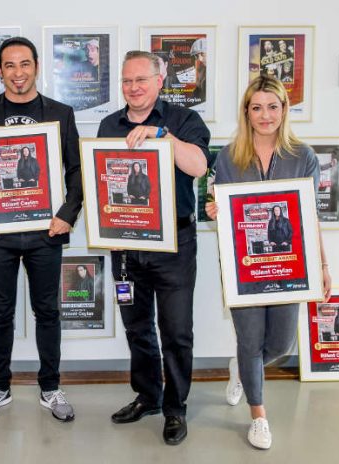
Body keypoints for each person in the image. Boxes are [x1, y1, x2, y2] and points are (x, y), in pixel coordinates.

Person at [0, 36, 83, 422]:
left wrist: (67, 213)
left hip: (47, 230)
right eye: (9, 66)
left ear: (37, 66)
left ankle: (50, 387)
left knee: (48, 311)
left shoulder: (60, 112)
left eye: (24, 64)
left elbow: (77, 170)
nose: (17, 73)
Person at [205, 75, 332, 450]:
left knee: (279, 344)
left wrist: (322, 267)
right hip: (243, 265)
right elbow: (219, 206)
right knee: (250, 338)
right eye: (257, 107)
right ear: (247, 111)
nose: (265, 115)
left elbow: (311, 218)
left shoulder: (303, 156)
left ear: (283, 110)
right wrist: (216, 211)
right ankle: (259, 415)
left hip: (289, 265)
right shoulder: (229, 156)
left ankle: (241, 369)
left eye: (272, 107)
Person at [98, 50, 211, 445]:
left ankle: (175, 408)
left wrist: (162, 136)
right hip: (126, 244)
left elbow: (198, 166)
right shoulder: (108, 124)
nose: (133, 88)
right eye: (127, 81)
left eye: (141, 80)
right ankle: (148, 396)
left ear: (160, 81)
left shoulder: (183, 120)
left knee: (177, 332)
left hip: (175, 245)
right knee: (137, 327)